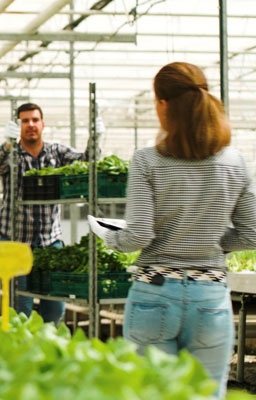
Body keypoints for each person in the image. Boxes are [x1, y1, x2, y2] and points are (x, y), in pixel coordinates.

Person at [88, 62, 256, 399]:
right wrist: (211, 244)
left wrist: (108, 235)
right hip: (210, 297)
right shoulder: (233, 162)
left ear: (163, 105)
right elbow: (252, 233)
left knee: (150, 393)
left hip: (155, 293)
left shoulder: (148, 161)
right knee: (206, 394)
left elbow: (138, 235)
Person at [0, 102, 100, 325]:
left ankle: (46, 345)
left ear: (42, 124)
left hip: (50, 242)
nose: (30, 125)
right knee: (20, 308)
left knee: (55, 307)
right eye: (25, 121)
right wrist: (8, 145)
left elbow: (86, 164)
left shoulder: (56, 152)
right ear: (18, 125)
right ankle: (20, 349)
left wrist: (95, 139)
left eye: (35, 120)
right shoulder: (13, 156)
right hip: (16, 242)